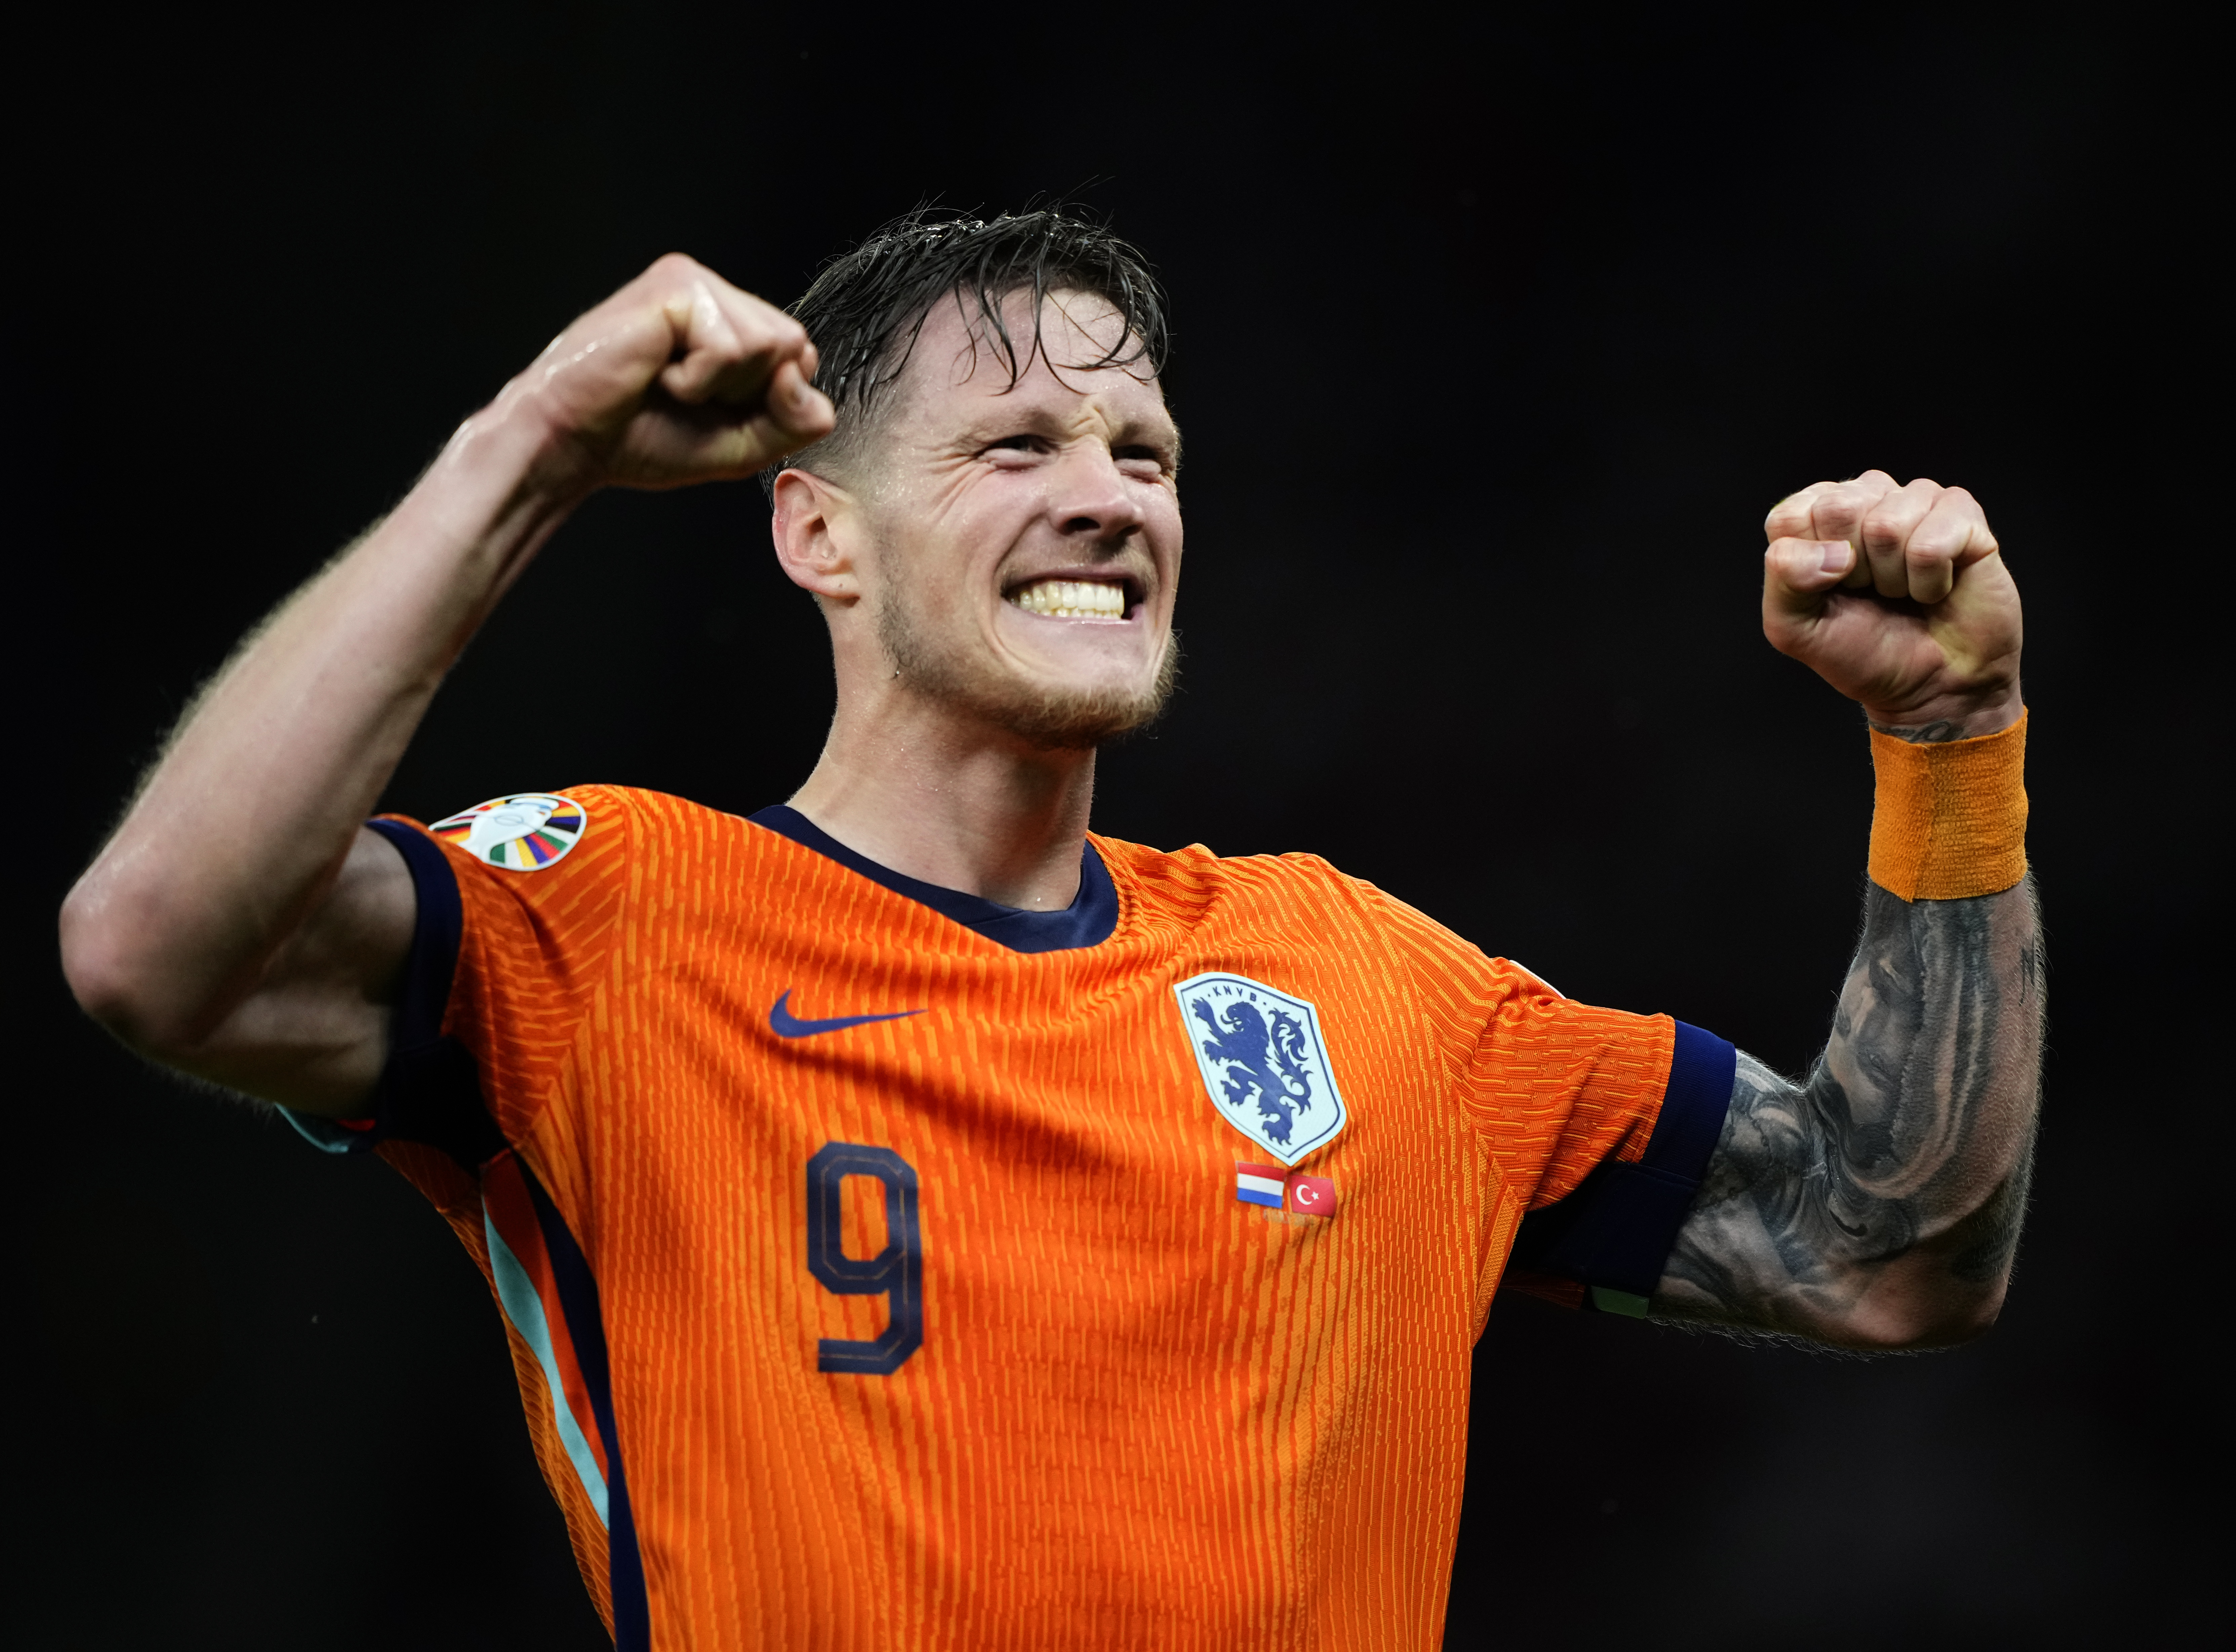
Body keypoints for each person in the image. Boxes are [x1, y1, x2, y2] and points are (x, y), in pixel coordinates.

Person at [60, 207, 2044, 1649]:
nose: (1110, 498)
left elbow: (1890, 1247)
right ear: (816, 527)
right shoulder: (609, 919)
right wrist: (524, 460)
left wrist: (1950, 741)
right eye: (1017, 450)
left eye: (1146, 456)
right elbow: (158, 945)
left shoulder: (1366, 990)